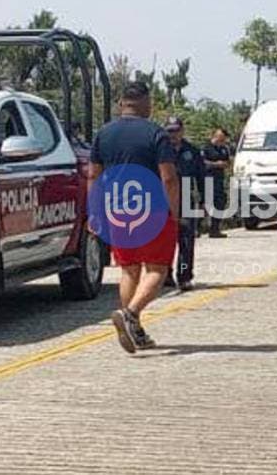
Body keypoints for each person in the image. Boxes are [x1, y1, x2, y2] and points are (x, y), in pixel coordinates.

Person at [88, 81, 180, 354]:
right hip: (152, 209)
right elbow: (169, 177)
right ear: (143, 102)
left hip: (117, 209)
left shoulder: (103, 134)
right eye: (150, 102)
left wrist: (94, 212)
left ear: (121, 104)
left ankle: (135, 329)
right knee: (157, 269)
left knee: (129, 270)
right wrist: (174, 210)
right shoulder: (156, 133)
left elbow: (93, 175)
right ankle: (130, 313)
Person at [164, 116, 204, 291]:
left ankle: (184, 276)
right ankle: (165, 275)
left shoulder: (192, 151)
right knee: (165, 240)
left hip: (186, 199)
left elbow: (202, 177)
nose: (173, 134)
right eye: (169, 131)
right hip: (164, 199)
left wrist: (204, 201)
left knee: (186, 241)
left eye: (176, 130)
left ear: (182, 131)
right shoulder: (160, 149)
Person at [201, 127, 233, 238]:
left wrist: (225, 164)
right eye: (220, 137)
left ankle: (215, 229)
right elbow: (202, 162)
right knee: (206, 204)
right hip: (208, 179)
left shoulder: (224, 149)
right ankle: (197, 228)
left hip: (219, 180)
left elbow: (228, 162)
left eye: (223, 138)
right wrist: (216, 164)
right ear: (214, 135)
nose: (222, 139)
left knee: (220, 203)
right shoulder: (206, 147)